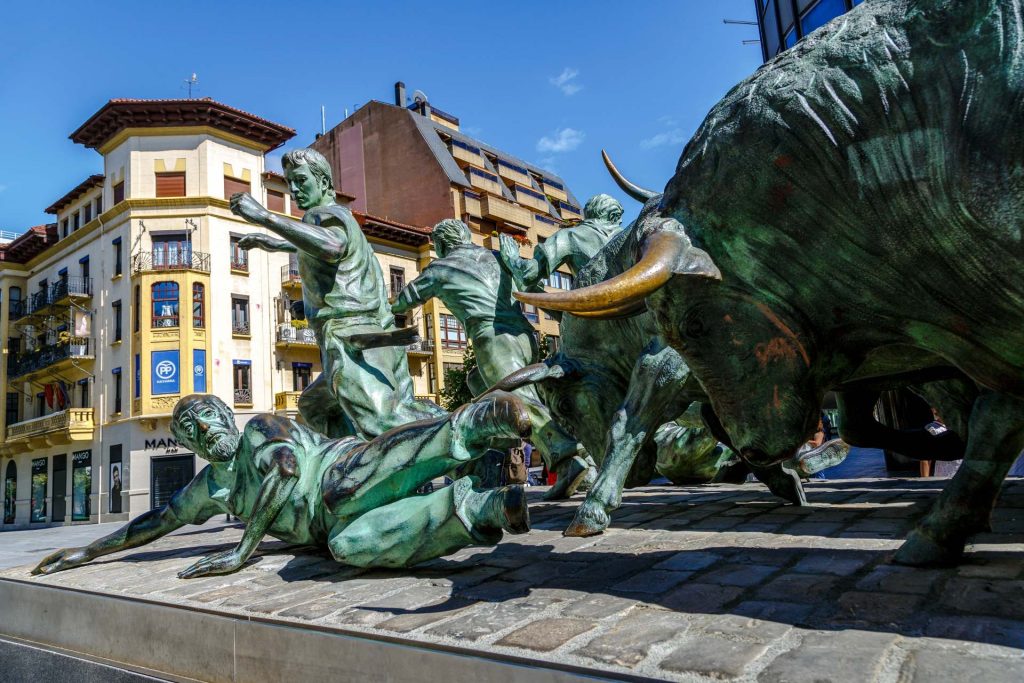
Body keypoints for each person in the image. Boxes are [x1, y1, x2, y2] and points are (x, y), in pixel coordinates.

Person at [33, 391, 531, 577]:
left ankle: (475, 422)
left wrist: (241, 551)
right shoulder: (211, 488)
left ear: (226, 415)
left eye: (208, 416)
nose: (204, 428)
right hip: (327, 528)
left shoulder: (260, 429)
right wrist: (88, 551)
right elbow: (157, 521)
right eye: (190, 429)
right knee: (350, 547)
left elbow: (286, 472)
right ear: (190, 445)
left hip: (340, 472)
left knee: (342, 488)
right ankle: (485, 509)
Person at [230, 148, 442, 439]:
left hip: (351, 336)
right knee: (315, 405)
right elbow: (335, 259)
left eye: (301, 180)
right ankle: (355, 456)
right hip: (373, 335)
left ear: (324, 183)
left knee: (385, 426)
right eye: (290, 183)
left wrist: (265, 217)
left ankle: (466, 432)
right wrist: (278, 247)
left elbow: (332, 247)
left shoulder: (323, 214)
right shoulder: (345, 221)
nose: (294, 190)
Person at [393, 219, 593, 500]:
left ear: (440, 246)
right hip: (525, 336)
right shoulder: (497, 257)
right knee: (479, 385)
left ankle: (569, 459)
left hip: (493, 340)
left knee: (522, 403)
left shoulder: (441, 268)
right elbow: (529, 283)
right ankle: (494, 458)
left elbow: (403, 302)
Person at [499, 194, 624, 292]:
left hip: (594, 310)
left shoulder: (568, 236)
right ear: (613, 216)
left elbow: (529, 274)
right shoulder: (627, 238)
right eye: (619, 219)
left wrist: (511, 257)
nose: (621, 223)